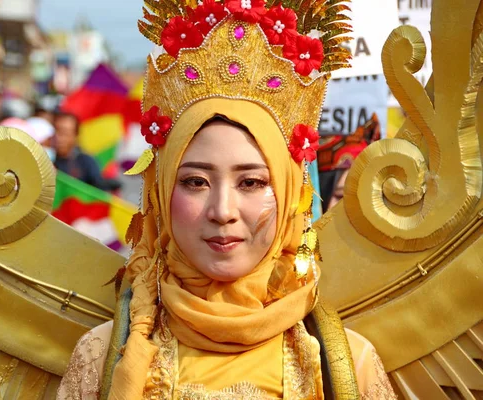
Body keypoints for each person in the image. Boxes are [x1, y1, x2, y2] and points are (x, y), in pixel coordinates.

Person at [57, 0, 396, 398]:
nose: (222, 211)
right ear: (161, 192)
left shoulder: (345, 367)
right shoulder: (101, 359)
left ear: (290, 194)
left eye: (251, 183)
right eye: (196, 182)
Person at [53, 111, 121, 191]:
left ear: (76, 136)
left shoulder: (85, 161)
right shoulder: (44, 159)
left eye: (64, 133)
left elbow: (98, 188)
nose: (58, 138)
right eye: (55, 131)